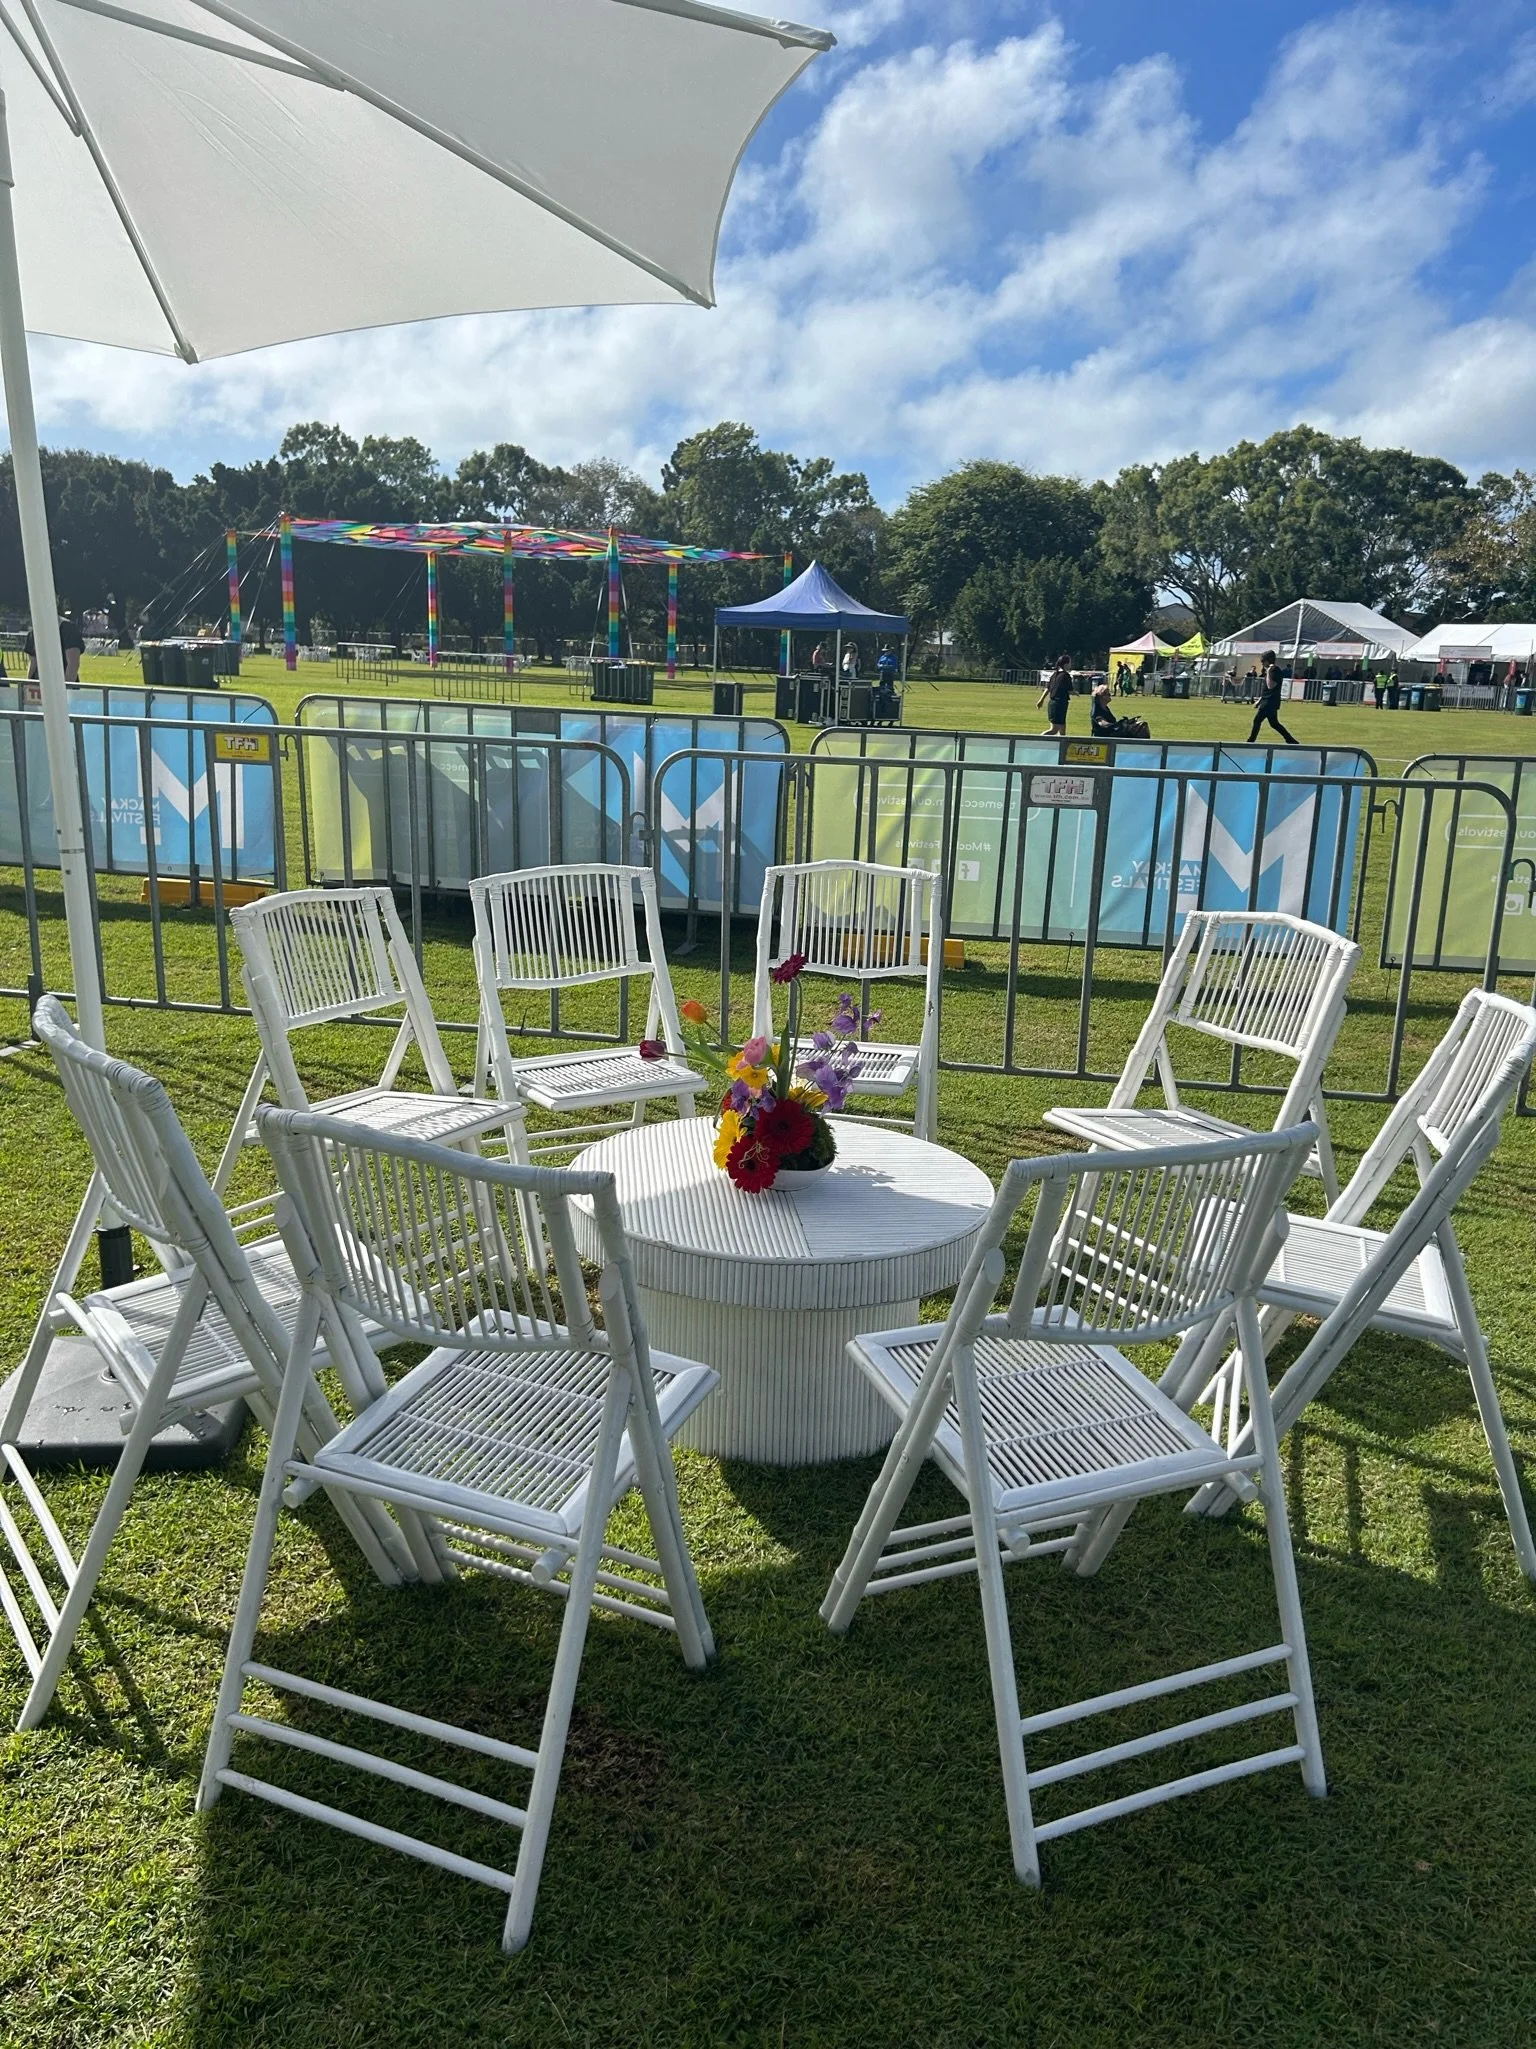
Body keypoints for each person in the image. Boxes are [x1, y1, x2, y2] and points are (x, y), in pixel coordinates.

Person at [1248, 650, 1298, 745]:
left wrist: (1268, 672)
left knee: (1257, 721)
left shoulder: (1275, 671)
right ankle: (1290, 740)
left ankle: (1251, 741)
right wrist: (1259, 700)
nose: (1262, 663)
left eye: (1263, 661)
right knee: (1274, 724)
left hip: (1270, 702)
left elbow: (1271, 685)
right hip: (1267, 700)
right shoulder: (1269, 670)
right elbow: (1266, 689)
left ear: (1269, 660)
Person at [26, 612, 84, 683]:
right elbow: (33, 663)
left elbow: (73, 664)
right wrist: (27, 684)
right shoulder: (34, 631)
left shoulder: (68, 629)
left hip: (62, 684)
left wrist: (66, 688)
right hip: (38, 686)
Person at [1037, 654, 1073, 736]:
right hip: (1059, 704)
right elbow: (1070, 690)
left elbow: (1047, 689)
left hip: (1054, 703)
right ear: (1065, 664)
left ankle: (1062, 748)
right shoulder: (1066, 675)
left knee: (1062, 731)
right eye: (1070, 663)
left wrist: (1041, 700)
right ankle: (1038, 739)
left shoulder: (1054, 675)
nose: (1071, 665)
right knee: (1054, 730)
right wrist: (1076, 692)